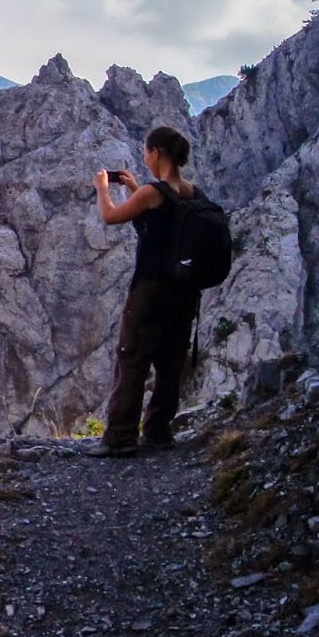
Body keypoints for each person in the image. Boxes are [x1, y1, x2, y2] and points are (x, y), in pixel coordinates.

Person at [87, 126, 203, 457]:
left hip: (151, 291)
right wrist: (134, 188)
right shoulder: (192, 192)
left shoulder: (154, 193)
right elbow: (155, 224)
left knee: (133, 357)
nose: (144, 157)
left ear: (157, 153)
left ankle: (121, 437)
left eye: (146, 152)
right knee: (170, 361)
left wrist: (102, 188)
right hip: (184, 291)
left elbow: (110, 217)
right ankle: (158, 432)